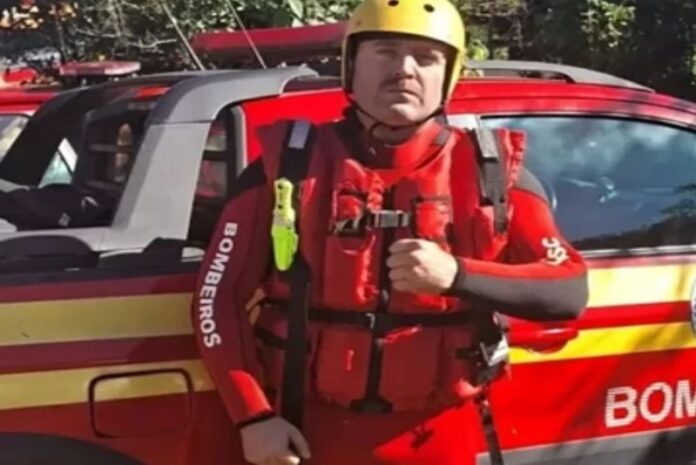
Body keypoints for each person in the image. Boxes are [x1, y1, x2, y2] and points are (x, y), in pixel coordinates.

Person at [192, 0, 589, 464]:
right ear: (350, 65)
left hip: (441, 434)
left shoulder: (494, 174)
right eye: (385, 52)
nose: (404, 69)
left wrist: (456, 275)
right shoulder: (287, 166)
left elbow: (568, 290)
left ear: (449, 75)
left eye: (426, 57)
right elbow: (216, 298)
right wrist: (253, 417)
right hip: (305, 433)